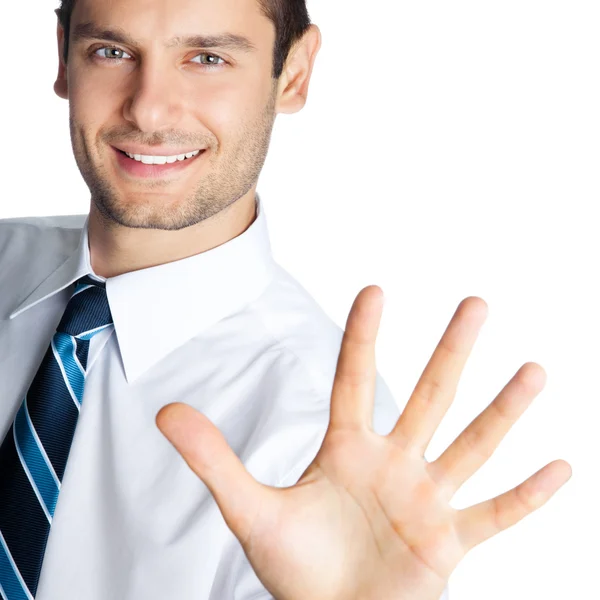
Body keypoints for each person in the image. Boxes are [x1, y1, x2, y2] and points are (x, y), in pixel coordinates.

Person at [0, 0, 572, 598]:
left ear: (293, 74)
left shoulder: (325, 446)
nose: (147, 108)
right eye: (112, 52)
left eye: (207, 57)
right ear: (64, 56)